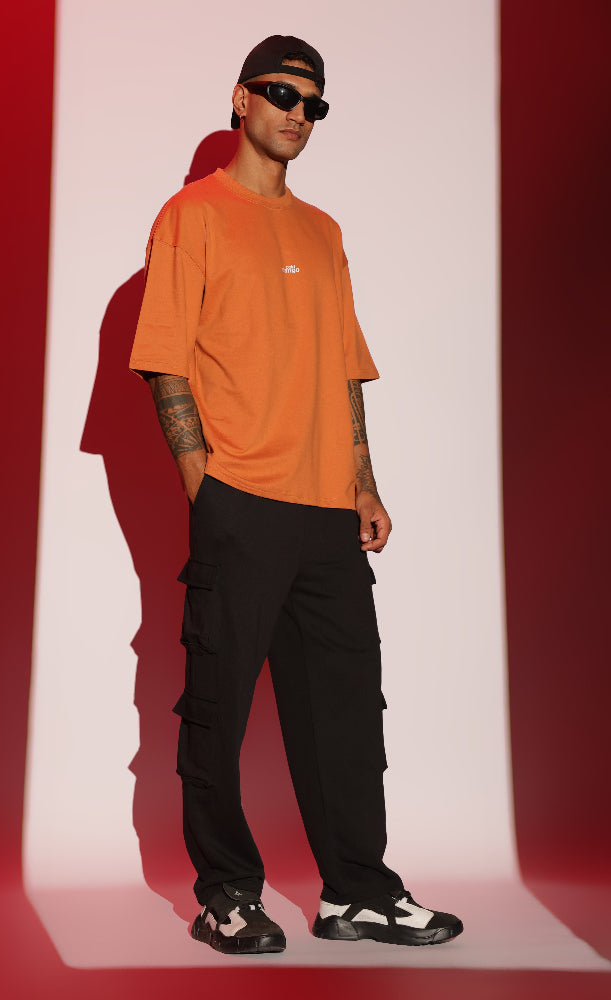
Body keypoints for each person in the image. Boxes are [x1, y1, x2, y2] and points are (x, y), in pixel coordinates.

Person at [129, 34, 463, 955]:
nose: (297, 114)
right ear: (241, 99)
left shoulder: (323, 232)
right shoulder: (190, 216)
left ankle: (356, 892)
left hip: (326, 511)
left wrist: (364, 483)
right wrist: (207, 489)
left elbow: (343, 369)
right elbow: (165, 364)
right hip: (240, 500)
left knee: (347, 713)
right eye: (281, 94)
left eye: (313, 103)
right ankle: (226, 894)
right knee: (217, 711)